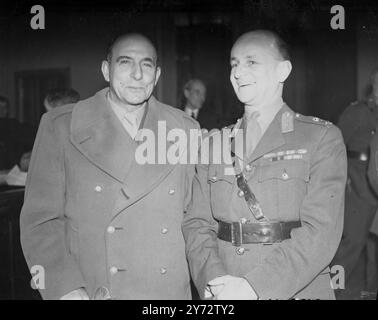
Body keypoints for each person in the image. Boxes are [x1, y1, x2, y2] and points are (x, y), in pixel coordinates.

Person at [20, 33, 199, 300]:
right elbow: (40, 221)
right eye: (125, 62)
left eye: (147, 65)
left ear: (157, 75)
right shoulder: (61, 126)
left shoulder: (184, 128)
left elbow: (197, 218)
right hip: (93, 289)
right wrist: (63, 286)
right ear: (106, 70)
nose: (137, 74)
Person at [182, 30, 347, 300]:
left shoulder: (321, 138)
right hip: (224, 289)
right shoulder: (215, 143)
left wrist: (254, 287)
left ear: (283, 70)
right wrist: (214, 280)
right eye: (234, 64)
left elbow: (321, 232)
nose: (238, 72)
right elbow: (197, 223)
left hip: (294, 289)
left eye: (251, 62)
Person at [332, 67, 378, 299]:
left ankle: (369, 291)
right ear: (373, 85)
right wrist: (343, 180)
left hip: (376, 184)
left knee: (375, 246)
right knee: (353, 242)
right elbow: (336, 147)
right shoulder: (358, 112)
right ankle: (331, 290)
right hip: (357, 183)